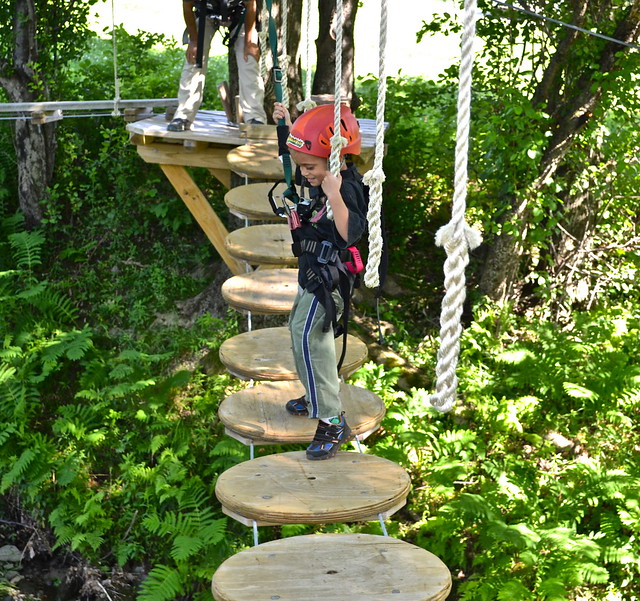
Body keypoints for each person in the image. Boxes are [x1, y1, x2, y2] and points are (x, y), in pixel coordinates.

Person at [272, 101, 368, 460]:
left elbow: (350, 233)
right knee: (298, 331)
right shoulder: (320, 173)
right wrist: (285, 128)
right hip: (311, 273)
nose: (305, 174)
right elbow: (299, 157)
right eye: (303, 167)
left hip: (328, 280)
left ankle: (331, 419)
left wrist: (333, 196)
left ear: (333, 161)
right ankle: (316, 396)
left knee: (312, 339)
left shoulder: (346, 188)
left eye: (310, 168)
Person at [168, 0, 267, 131]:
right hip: (205, 13)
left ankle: (255, 119)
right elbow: (187, 6)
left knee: (249, 60)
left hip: (238, 13)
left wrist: (249, 42)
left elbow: (251, 5)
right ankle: (183, 116)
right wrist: (193, 41)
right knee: (194, 60)